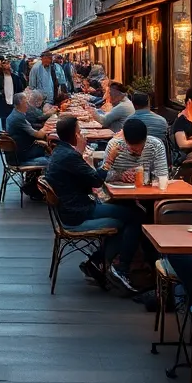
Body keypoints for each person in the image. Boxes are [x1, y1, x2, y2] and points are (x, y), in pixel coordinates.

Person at [44, 116, 143, 292]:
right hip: (77, 214)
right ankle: (117, 267)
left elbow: (87, 179)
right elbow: (96, 181)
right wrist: (109, 159)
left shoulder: (60, 152)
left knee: (130, 211)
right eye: (80, 132)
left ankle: (98, 261)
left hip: (71, 209)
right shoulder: (69, 156)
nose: (82, 136)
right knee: (134, 217)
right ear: (75, 135)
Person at [101, 118, 170, 184]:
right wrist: (120, 176)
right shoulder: (114, 146)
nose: (139, 153)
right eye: (134, 150)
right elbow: (101, 178)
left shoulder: (155, 145)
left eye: (142, 148)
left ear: (146, 137)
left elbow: (163, 176)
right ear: (124, 139)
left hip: (146, 190)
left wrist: (143, 176)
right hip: (120, 191)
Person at [5, 93, 50, 167]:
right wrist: (47, 126)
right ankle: (35, 177)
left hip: (15, 153)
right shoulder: (18, 117)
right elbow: (39, 135)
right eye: (25, 103)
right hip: (20, 156)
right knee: (50, 155)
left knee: (44, 147)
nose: (28, 105)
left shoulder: (14, 114)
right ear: (18, 105)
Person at [0, 59, 26, 130]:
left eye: (8, 65)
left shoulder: (15, 78)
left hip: (14, 103)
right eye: (5, 65)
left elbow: (20, 89)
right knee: (4, 121)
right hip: (3, 103)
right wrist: (0, 93)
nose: (7, 66)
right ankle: (5, 135)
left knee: (14, 120)